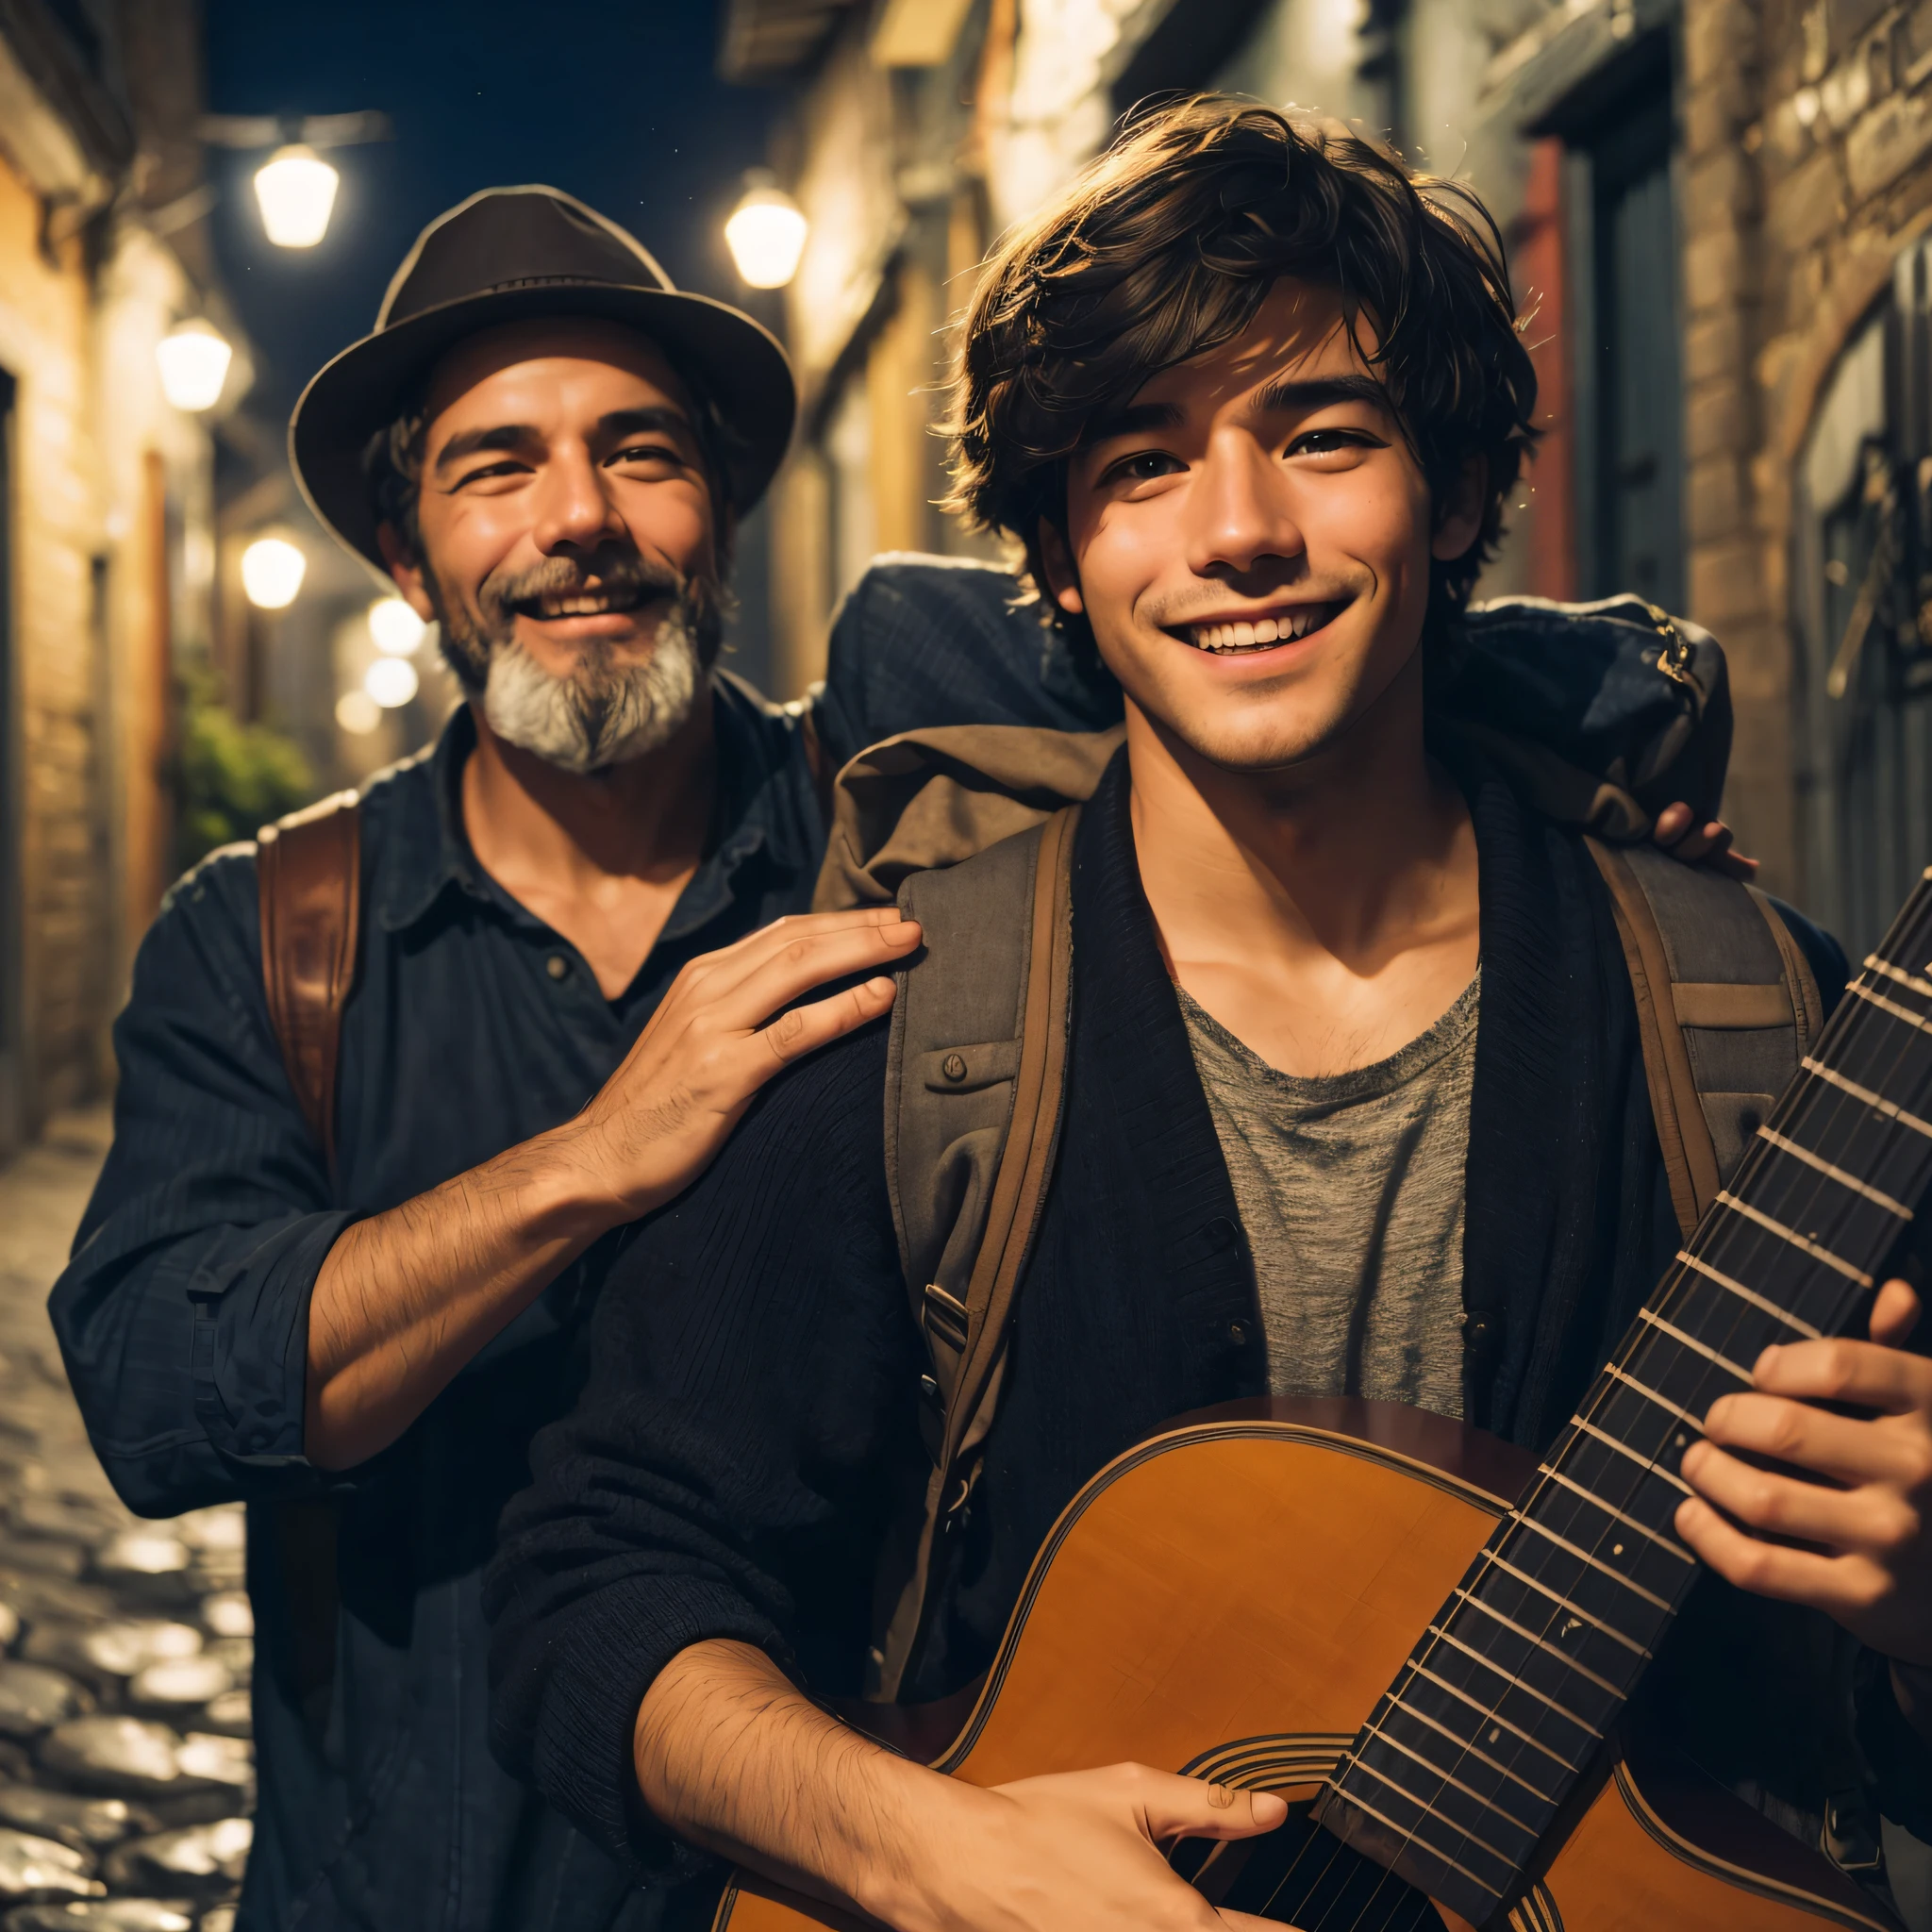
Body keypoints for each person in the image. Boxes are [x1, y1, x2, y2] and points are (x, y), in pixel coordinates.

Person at [485, 102, 1932, 1932]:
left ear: (1460, 493)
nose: (1239, 531)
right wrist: (926, 1846)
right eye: (1144, 465)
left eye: (1322, 436)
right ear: (1063, 556)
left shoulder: (1766, 1029)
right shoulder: (905, 1033)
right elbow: (595, 1589)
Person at [43, 188, 1136, 1932]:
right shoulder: (274, 935)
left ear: (718, 516)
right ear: (411, 563)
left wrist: (1580, 768)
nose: (579, 520)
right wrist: (585, 1164)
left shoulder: (918, 850)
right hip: (413, 1888)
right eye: (496, 469)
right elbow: (162, 1394)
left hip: (841, 1879)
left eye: (640, 454)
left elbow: (1251, 642)